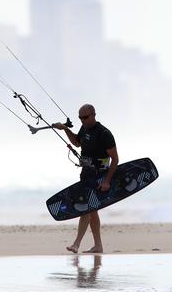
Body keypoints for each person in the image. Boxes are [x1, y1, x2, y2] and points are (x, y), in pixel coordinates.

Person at [53, 104, 118, 254]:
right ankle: (98, 246)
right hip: (86, 174)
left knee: (86, 207)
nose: (83, 121)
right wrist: (65, 129)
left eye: (85, 117)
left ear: (94, 115)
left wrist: (107, 181)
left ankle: (76, 244)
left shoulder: (104, 134)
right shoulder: (85, 129)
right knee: (92, 210)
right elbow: (77, 143)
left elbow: (115, 159)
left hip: (99, 175)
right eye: (80, 118)